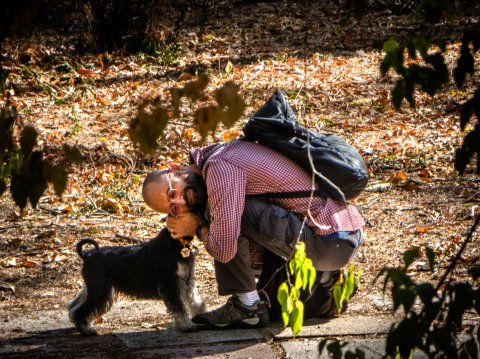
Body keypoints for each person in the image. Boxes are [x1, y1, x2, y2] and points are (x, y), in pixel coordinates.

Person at [142, 139, 365, 329]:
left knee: (219, 214)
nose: (180, 202)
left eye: (172, 193)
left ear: (175, 168)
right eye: (173, 209)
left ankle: (246, 306)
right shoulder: (222, 153)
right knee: (226, 214)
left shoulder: (219, 167)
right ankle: (324, 278)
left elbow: (225, 248)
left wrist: (198, 226)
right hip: (340, 233)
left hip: (326, 237)